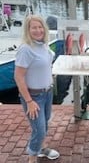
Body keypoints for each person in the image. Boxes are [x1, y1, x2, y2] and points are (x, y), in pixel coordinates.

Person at [14, 15, 60, 163]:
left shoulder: (43, 45)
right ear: (28, 30)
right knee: (39, 130)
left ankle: (42, 149)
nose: (38, 30)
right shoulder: (26, 49)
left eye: (40, 27)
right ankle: (32, 159)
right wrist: (29, 101)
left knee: (45, 124)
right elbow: (18, 77)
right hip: (34, 97)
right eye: (34, 27)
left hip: (47, 93)